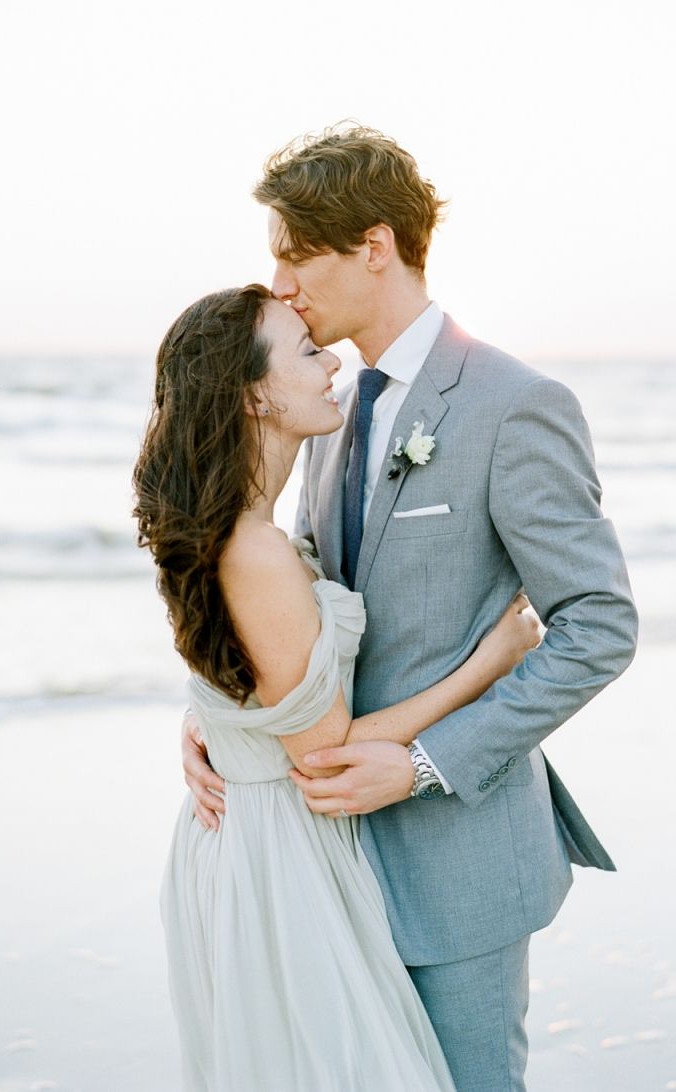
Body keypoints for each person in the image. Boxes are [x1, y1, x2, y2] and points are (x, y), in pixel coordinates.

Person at [182, 125, 639, 1091]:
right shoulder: (328, 409)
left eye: (296, 253)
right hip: (326, 855)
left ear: (375, 245)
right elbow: (294, 603)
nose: (282, 284)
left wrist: (428, 763)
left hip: (456, 861)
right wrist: (224, 716)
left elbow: (600, 624)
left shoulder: (515, 403)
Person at [134, 282, 543, 1091]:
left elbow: (247, 674)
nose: (333, 364)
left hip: (257, 835)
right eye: (306, 352)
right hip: (281, 856)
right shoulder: (254, 548)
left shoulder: (248, 524)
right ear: (255, 392)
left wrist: (216, 725)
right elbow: (324, 750)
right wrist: (488, 665)